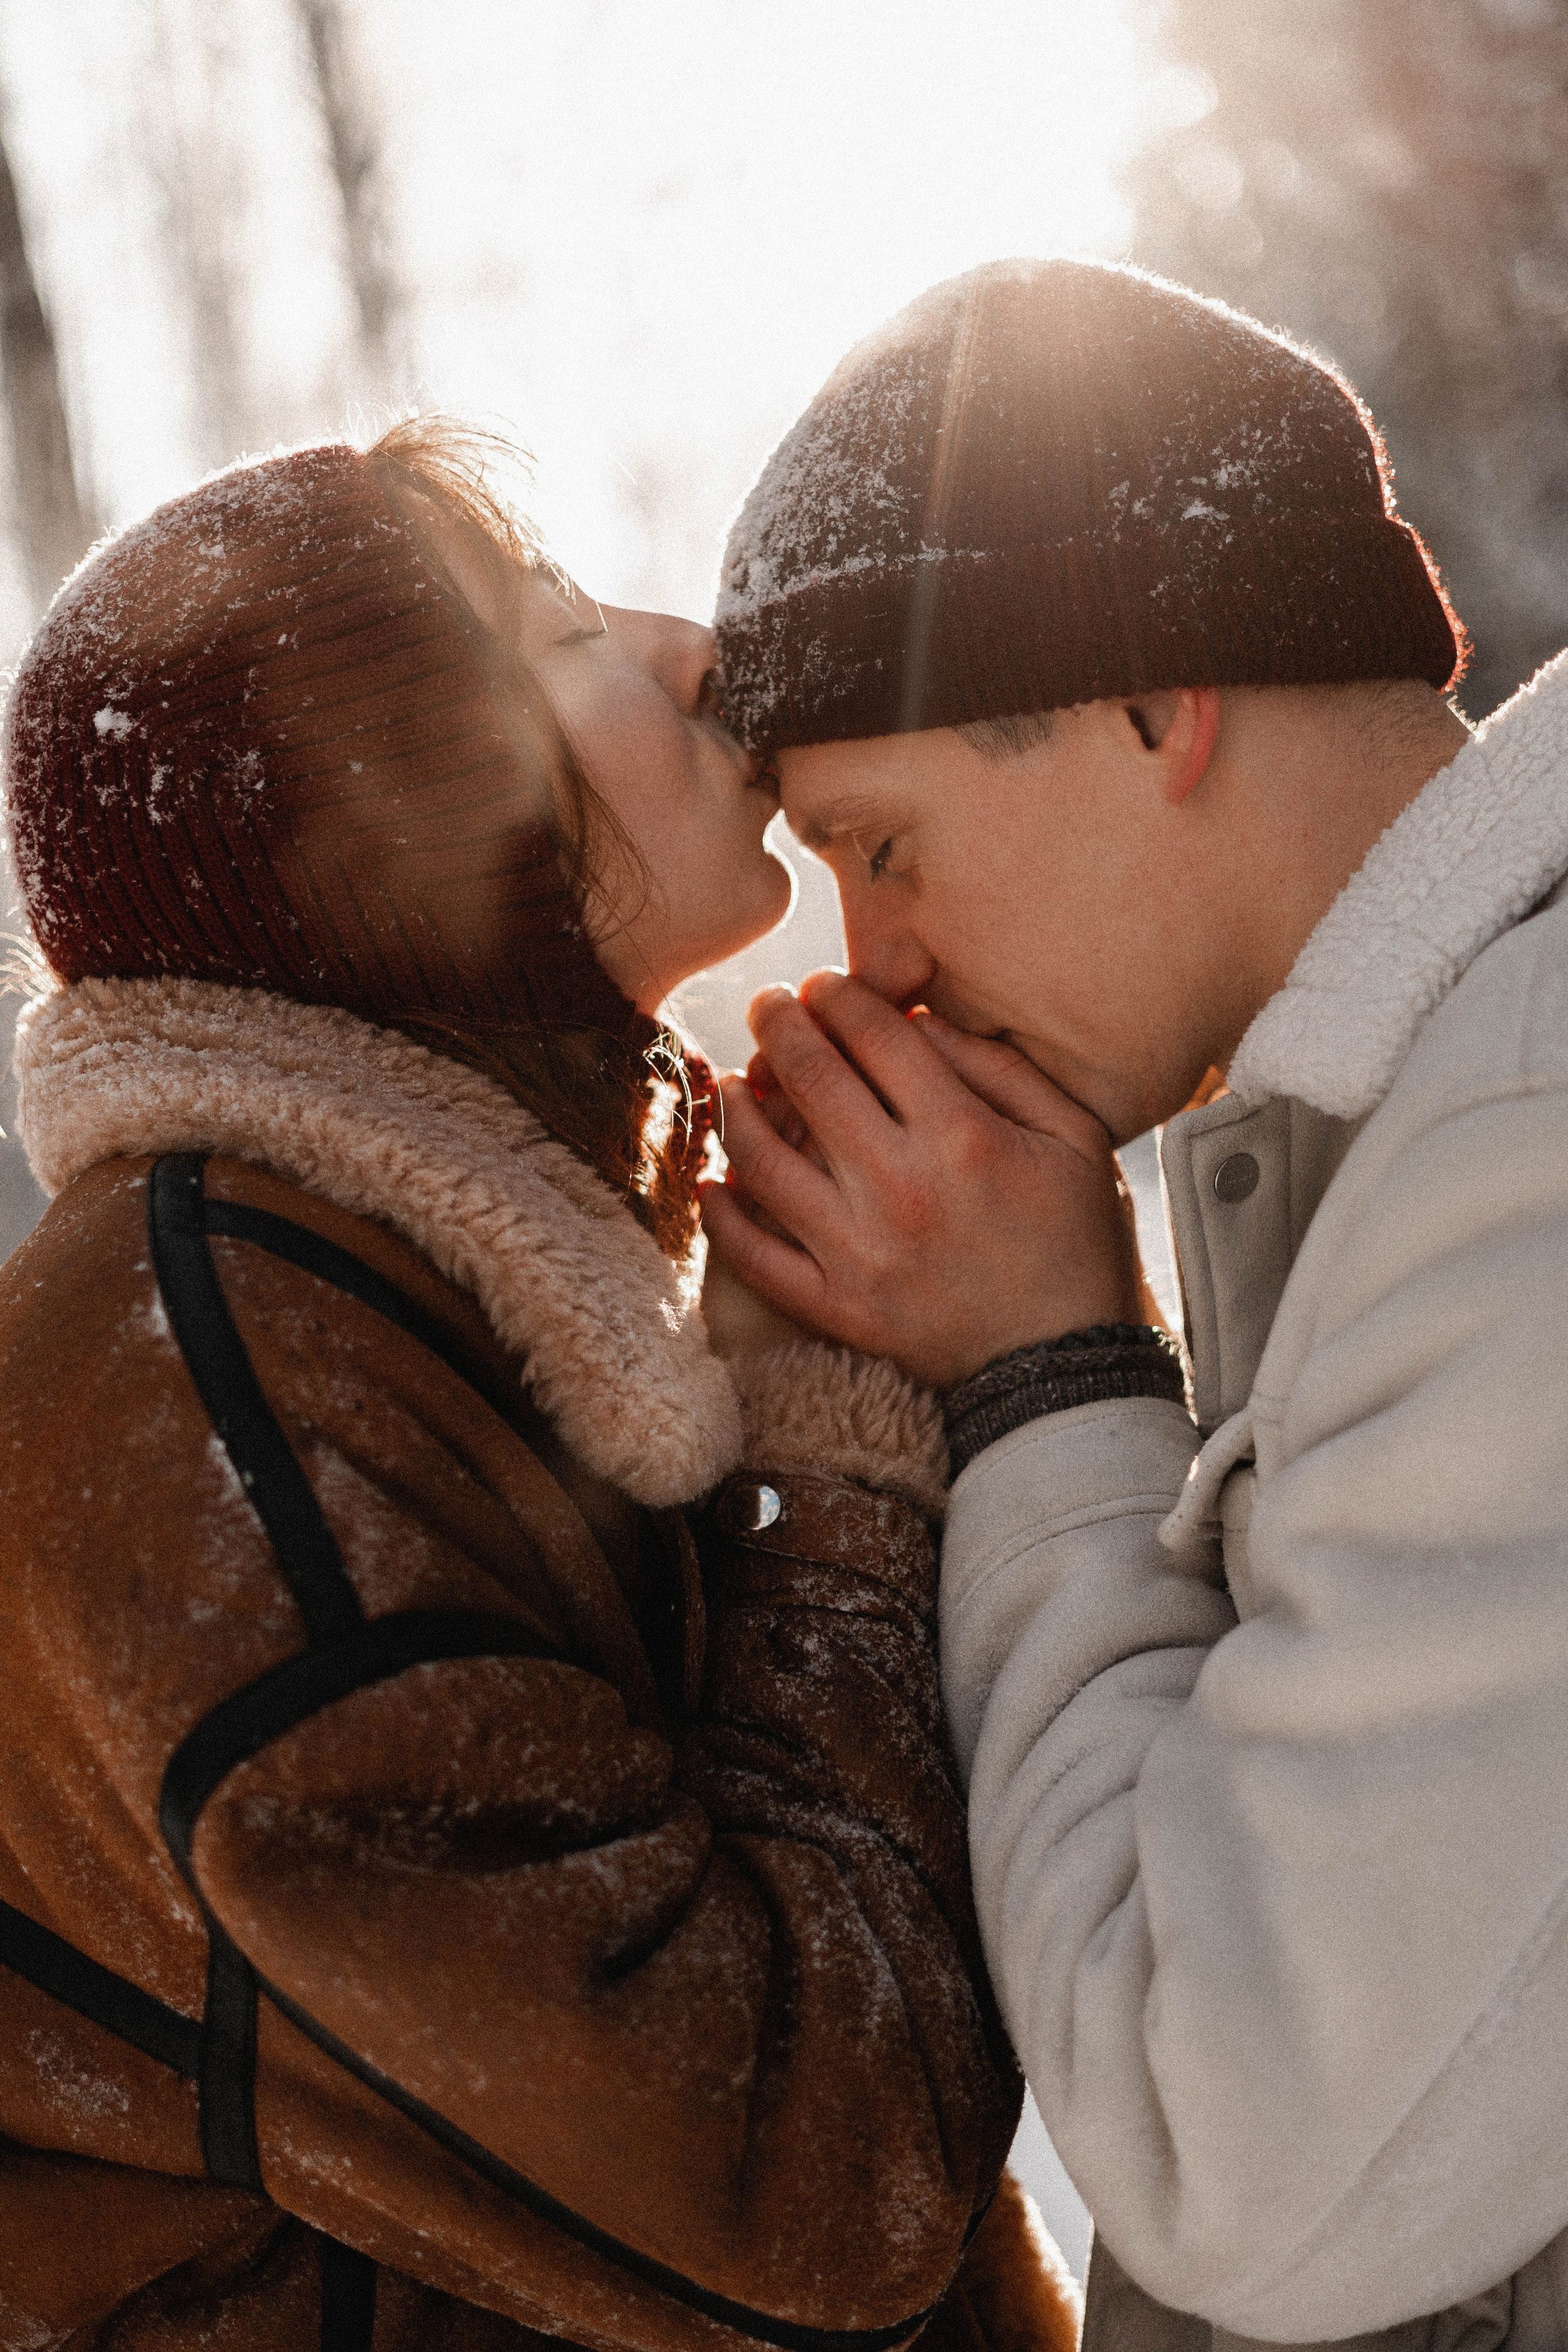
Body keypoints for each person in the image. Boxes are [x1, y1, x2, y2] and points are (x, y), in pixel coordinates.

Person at [0, 421, 1079, 2351]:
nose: (687, 652)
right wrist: (842, 1491)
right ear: (392, 812)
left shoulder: (399, 1291)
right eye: (553, 631)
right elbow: (817, 2185)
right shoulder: (226, 1413)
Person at [706, 256, 1568, 2351]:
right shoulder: (1421, 1122)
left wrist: (1045, 1382)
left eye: (883, 843)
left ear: (1151, 704)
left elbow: (1244, 2148)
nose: (873, 966)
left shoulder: (1523, 1145)